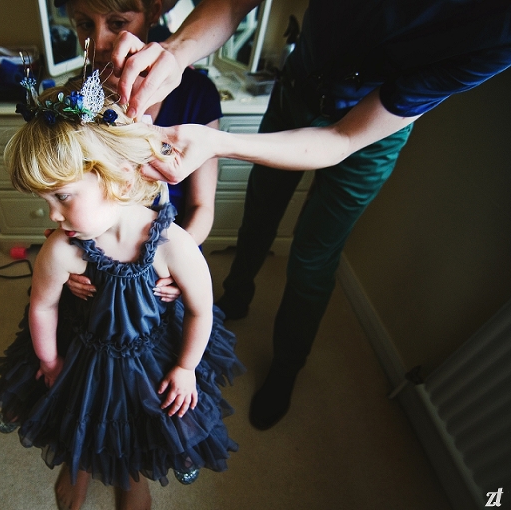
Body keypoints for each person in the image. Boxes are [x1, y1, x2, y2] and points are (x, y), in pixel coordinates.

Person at [109, 0, 511, 431]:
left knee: (312, 259)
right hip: (295, 89)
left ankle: (286, 366)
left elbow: (342, 138)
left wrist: (218, 142)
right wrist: (176, 52)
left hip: (368, 135)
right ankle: (237, 295)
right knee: (259, 212)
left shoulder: (497, 27)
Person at [0, 76, 243, 510]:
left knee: (139, 423)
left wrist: (184, 368)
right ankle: (79, 466)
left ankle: (130, 478)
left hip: (151, 351)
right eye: (46, 199)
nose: (51, 214)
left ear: (120, 175)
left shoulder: (172, 244)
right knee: (80, 413)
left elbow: (201, 311)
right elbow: (42, 304)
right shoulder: (63, 248)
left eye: (63, 196)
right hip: (84, 346)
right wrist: (49, 360)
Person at [55, 0, 222, 303]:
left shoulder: (198, 95)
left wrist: (177, 261)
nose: (101, 42)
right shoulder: (73, 98)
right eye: (85, 25)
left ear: (154, 13)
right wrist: (64, 256)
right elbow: (64, 191)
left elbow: (202, 207)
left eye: (118, 24)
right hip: (96, 261)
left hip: (170, 254)